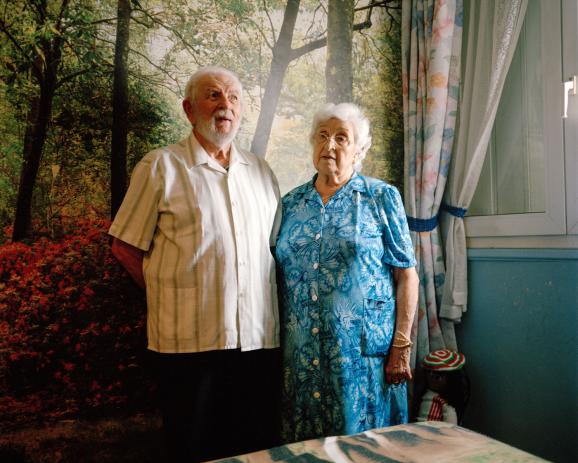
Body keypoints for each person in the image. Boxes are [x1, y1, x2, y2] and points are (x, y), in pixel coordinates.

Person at [109, 66, 281, 462]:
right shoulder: (160, 167)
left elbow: (273, 250)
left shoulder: (261, 172)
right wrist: (169, 295)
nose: (226, 105)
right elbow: (124, 246)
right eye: (214, 95)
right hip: (187, 344)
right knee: (194, 447)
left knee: (253, 447)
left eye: (234, 97)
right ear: (189, 109)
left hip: (256, 341)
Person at [275, 102, 419, 443]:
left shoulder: (381, 196)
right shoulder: (290, 203)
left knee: (364, 445)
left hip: (362, 353)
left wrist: (401, 345)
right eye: (322, 136)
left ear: (359, 150)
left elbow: (406, 275)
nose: (330, 146)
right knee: (306, 447)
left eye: (342, 138)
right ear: (312, 144)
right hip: (301, 353)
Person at [417, 349, 470, 424]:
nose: (430, 378)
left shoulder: (444, 404)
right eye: (428, 373)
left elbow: (451, 427)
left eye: (437, 377)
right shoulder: (427, 395)